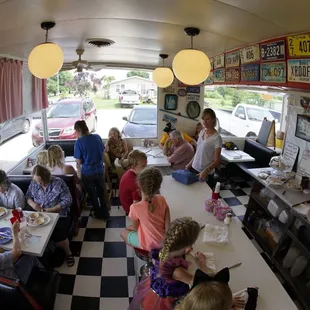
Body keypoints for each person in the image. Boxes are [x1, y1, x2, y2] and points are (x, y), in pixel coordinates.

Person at [129, 217, 244, 310]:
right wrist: (202, 263)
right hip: (169, 299)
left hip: (155, 282)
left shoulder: (163, 248)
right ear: (189, 244)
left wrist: (185, 250)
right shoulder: (178, 271)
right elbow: (202, 284)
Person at [25, 165, 74, 267]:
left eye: (42, 181)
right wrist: (34, 205)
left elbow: (68, 200)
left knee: (58, 233)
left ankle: (68, 252)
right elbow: (28, 196)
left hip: (58, 214)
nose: (40, 184)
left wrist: (53, 209)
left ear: (46, 176)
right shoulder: (34, 183)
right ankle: (39, 255)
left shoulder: (58, 182)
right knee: (28, 231)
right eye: (38, 182)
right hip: (39, 214)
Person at [121, 167, 170, 251]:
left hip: (149, 244)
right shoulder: (162, 199)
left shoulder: (135, 207)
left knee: (123, 233)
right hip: (164, 242)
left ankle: (143, 252)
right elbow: (167, 224)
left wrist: (129, 228)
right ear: (158, 187)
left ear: (139, 184)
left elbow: (135, 228)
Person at [74, 120, 109, 220]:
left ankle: (97, 213)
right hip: (99, 169)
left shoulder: (79, 142)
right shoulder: (97, 137)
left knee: (92, 193)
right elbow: (103, 153)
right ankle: (105, 212)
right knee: (101, 192)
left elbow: (79, 161)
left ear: (77, 130)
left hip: (88, 172)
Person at [185, 109, 222, 188]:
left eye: (207, 119)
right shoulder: (202, 132)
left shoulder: (217, 138)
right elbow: (198, 151)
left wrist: (206, 170)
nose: (205, 121)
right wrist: (190, 163)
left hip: (205, 172)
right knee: (193, 193)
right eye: (203, 119)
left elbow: (216, 161)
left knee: (204, 196)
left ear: (213, 120)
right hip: (194, 168)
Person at [119, 150, 147, 215]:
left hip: (127, 204)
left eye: (146, 165)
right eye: (143, 166)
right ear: (133, 166)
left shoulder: (130, 172)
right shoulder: (135, 183)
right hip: (130, 209)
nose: (146, 168)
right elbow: (136, 207)